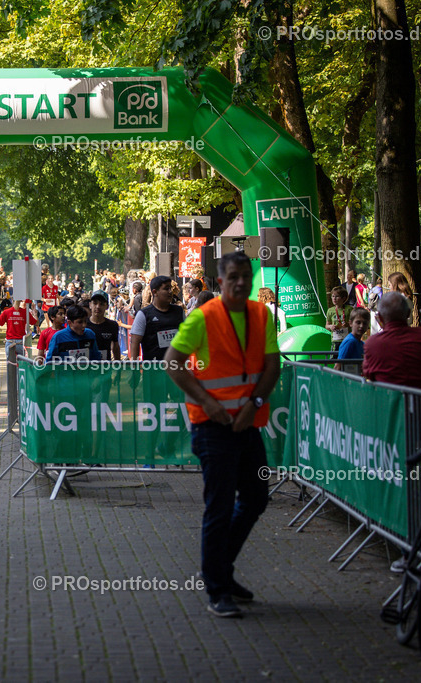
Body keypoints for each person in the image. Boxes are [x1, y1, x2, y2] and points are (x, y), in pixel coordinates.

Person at [163, 251, 280, 618]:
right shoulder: (203, 317)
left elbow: (272, 366)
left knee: (257, 498)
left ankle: (219, 571)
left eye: (246, 275)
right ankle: (217, 588)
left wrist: (253, 403)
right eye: (234, 276)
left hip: (248, 424)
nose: (241, 282)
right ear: (221, 280)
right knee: (220, 506)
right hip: (212, 427)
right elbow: (172, 363)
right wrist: (207, 402)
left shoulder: (262, 315)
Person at [363, 292, 421, 395]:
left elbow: (368, 373)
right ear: (408, 313)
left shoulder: (372, 344)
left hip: (390, 406)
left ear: (380, 318)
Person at [129, 275, 184, 361]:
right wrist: (135, 369)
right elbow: (135, 343)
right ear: (155, 292)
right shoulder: (143, 314)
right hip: (153, 369)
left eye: (170, 288)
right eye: (166, 289)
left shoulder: (179, 311)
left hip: (176, 367)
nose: (170, 292)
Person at [85, 290, 121, 360]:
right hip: (86, 367)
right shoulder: (84, 324)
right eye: (95, 303)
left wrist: (118, 366)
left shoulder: (112, 325)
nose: (98, 307)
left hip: (105, 367)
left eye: (101, 304)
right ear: (90, 305)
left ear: (107, 306)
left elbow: (115, 347)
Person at [334, 308, 369, 374]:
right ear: (350, 323)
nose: (361, 326)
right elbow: (338, 366)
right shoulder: (350, 342)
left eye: (365, 323)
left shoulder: (361, 343)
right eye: (358, 322)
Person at [325, 286, 352, 354]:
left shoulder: (349, 309)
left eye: (337, 296)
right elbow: (326, 326)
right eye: (333, 296)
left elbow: (354, 323)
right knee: (335, 359)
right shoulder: (330, 311)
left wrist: (348, 324)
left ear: (343, 298)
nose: (334, 298)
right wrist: (331, 326)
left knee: (347, 358)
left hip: (347, 339)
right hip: (335, 340)